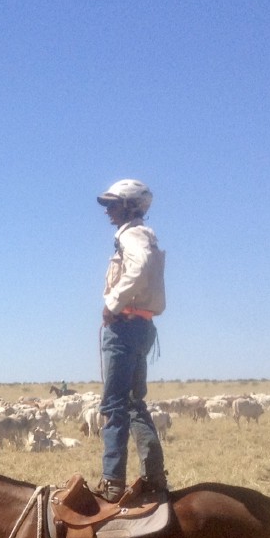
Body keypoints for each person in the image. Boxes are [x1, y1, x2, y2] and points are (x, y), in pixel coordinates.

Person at [96, 179, 167, 502]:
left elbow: (138, 268)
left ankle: (112, 482)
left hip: (124, 326)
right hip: (142, 326)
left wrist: (112, 303)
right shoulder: (145, 235)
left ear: (130, 206)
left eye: (113, 204)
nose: (108, 210)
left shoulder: (131, 235)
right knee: (135, 403)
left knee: (114, 405)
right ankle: (154, 476)